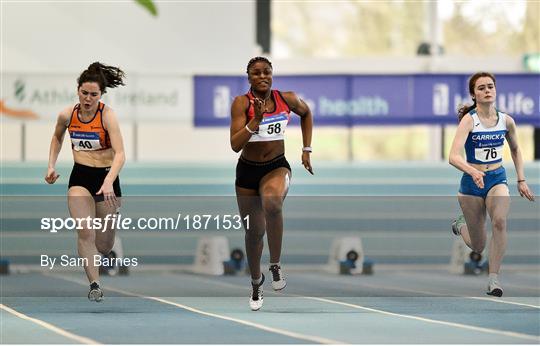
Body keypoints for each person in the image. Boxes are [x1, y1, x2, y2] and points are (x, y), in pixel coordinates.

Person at [230, 57, 313, 311]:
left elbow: (306, 113)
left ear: (272, 74)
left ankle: (275, 265)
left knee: (273, 202)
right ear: (249, 78)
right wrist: (255, 121)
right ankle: (256, 282)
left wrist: (306, 149)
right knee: (254, 233)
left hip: (276, 166)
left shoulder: (286, 99)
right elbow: (235, 145)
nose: (262, 76)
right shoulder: (241, 103)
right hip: (247, 172)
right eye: (256, 73)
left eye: (267, 72)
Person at [45, 62, 126, 302]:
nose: (88, 98)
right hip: (80, 176)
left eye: (94, 94)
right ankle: (94, 284)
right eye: (84, 93)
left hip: (107, 178)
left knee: (104, 245)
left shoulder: (107, 116)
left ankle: (105, 243)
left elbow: (120, 154)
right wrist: (51, 165)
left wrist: (110, 180)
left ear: (101, 95)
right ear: (78, 90)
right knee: (85, 231)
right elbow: (57, 137)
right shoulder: (67, 114)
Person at [449, 72, 535, 297]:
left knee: (499, 221)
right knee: (478, 245)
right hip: (471, 183)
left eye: (490, 87)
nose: (487, 90)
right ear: (474, 94)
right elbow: (453, 156)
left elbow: (515, 149)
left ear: (495, 91)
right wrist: (472, 171)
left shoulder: (506, 121)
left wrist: (521, 180)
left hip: (497, 178)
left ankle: (493, 279)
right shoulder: (470, 120)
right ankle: (460, 226)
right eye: (481, 88)